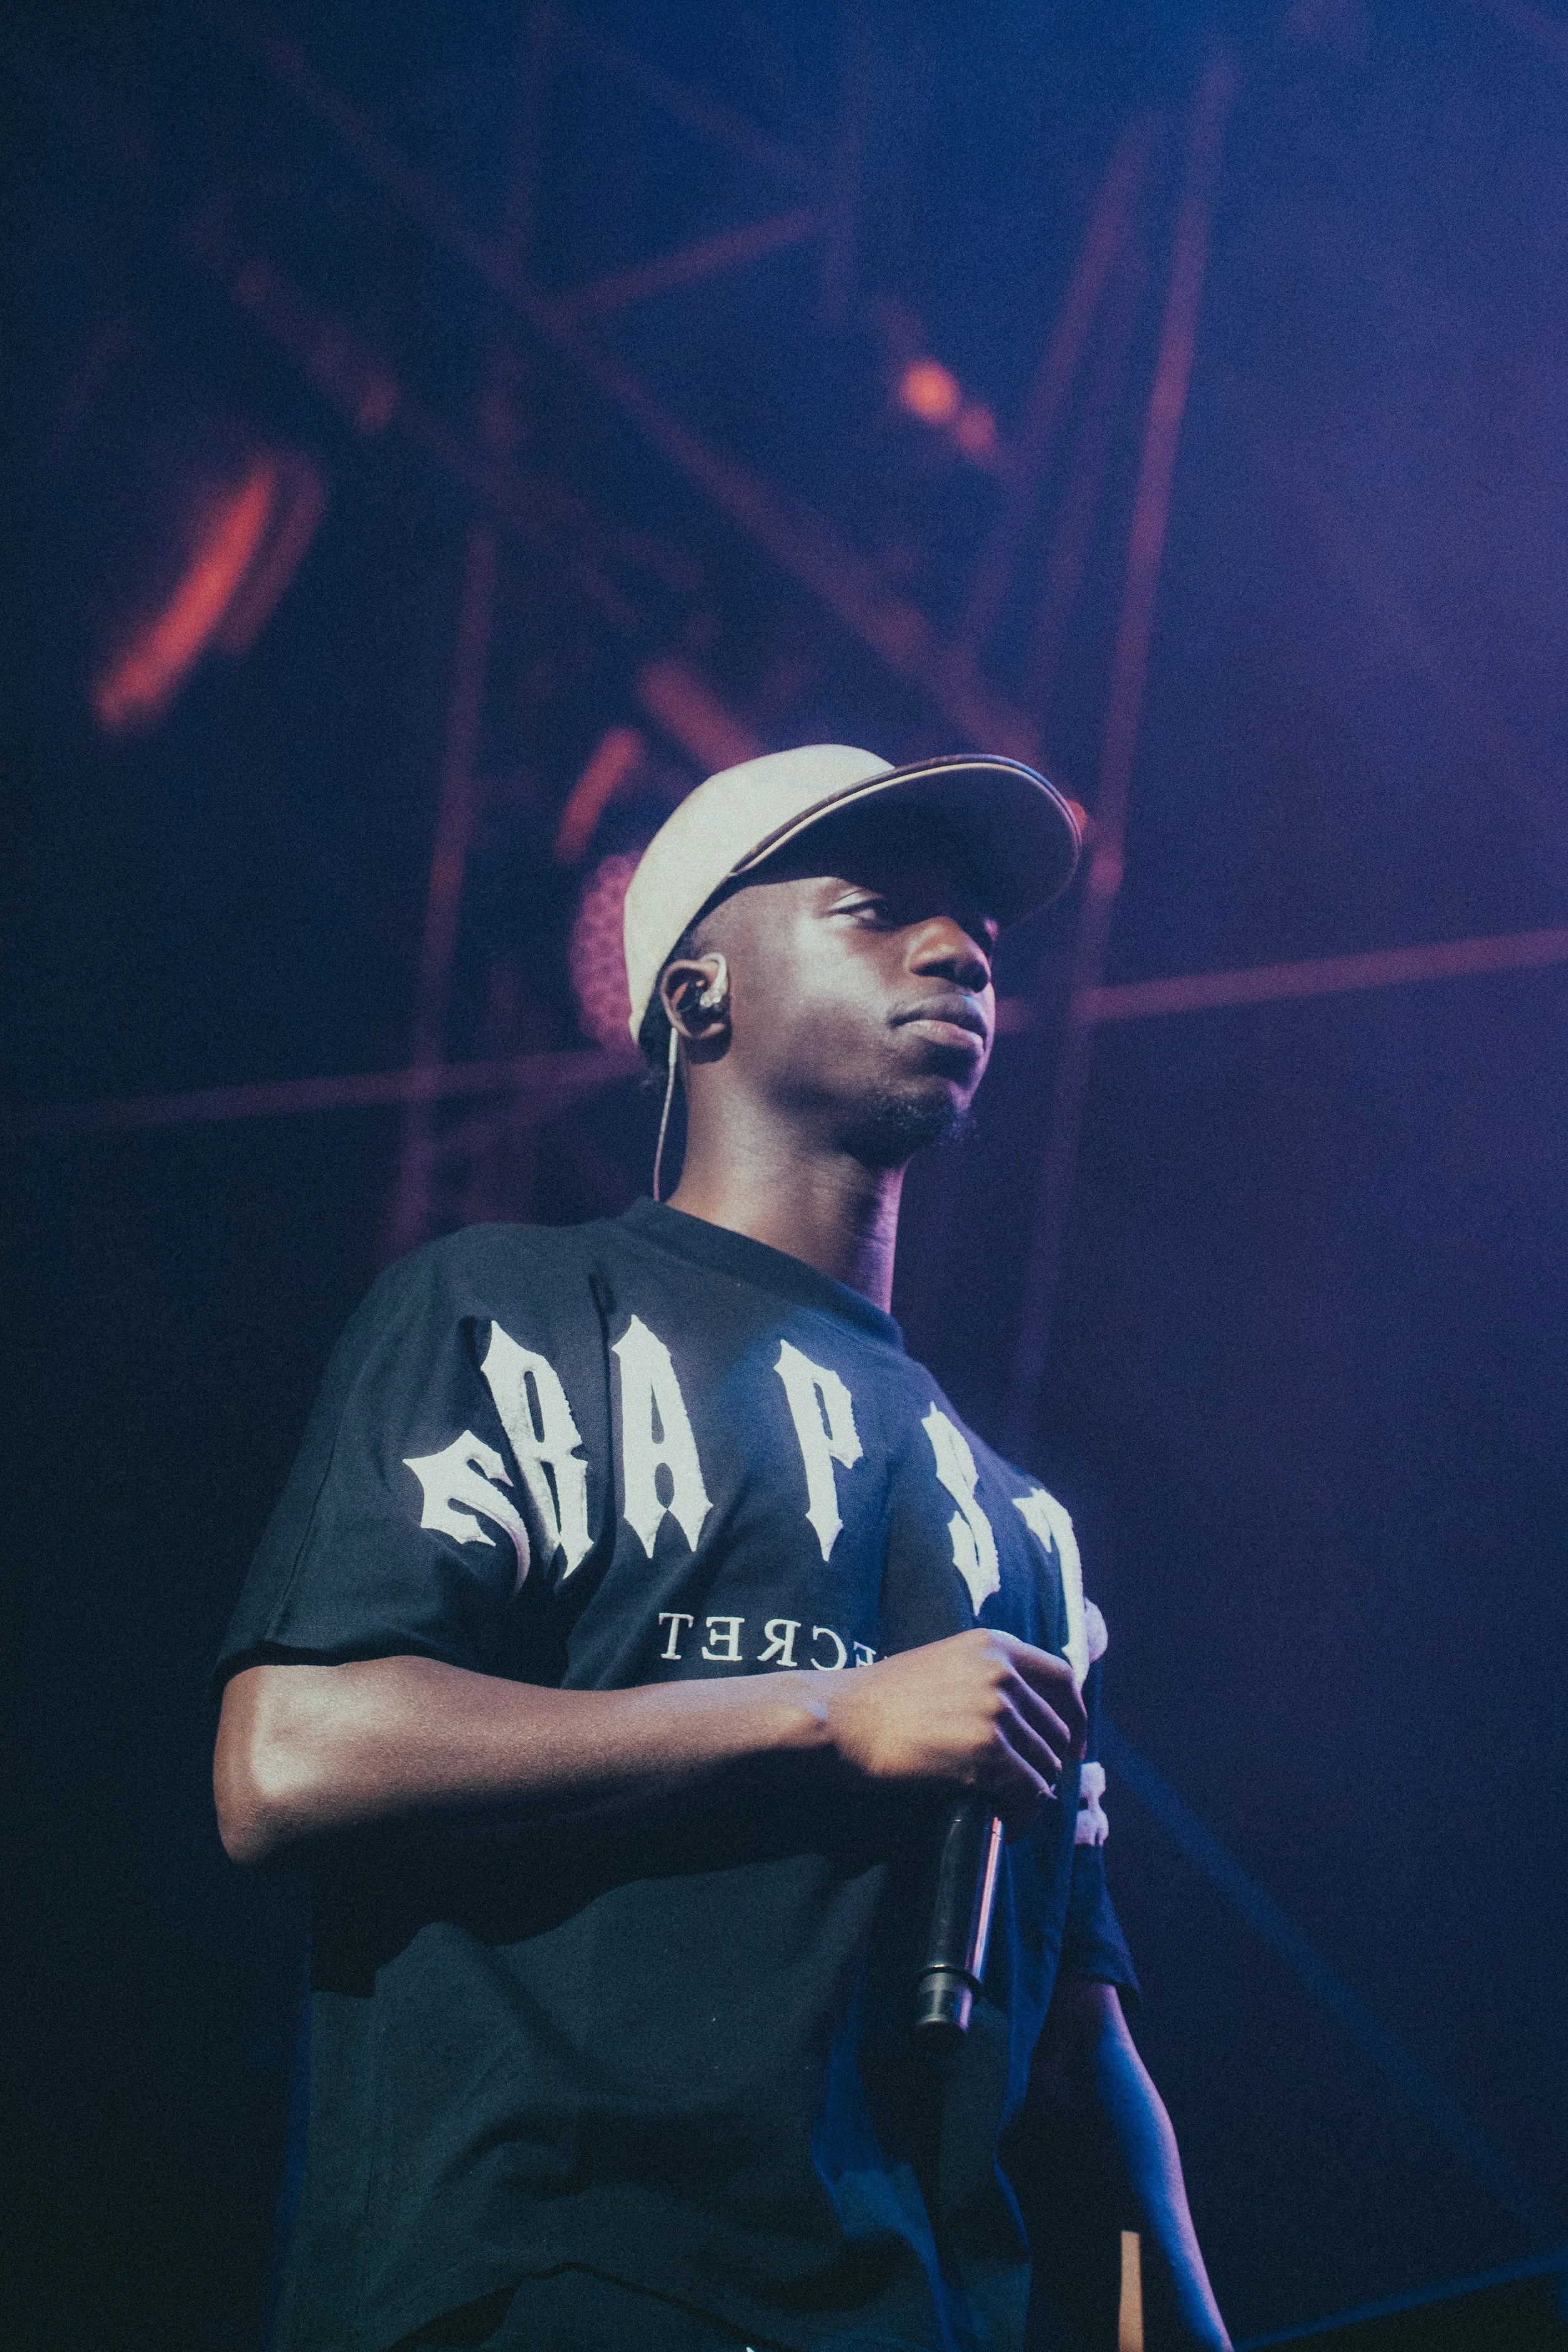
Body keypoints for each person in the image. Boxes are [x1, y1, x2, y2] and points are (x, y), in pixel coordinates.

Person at [214, 743, 1230, 2352]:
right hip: (542, 2291)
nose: (961, 952)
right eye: (878, 914)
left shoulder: (1020, 1523)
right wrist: (829, 1713)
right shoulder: (511, 1310)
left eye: (972, 929)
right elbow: (287, 1758)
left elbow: (1070, 2052)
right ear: (698, 999)